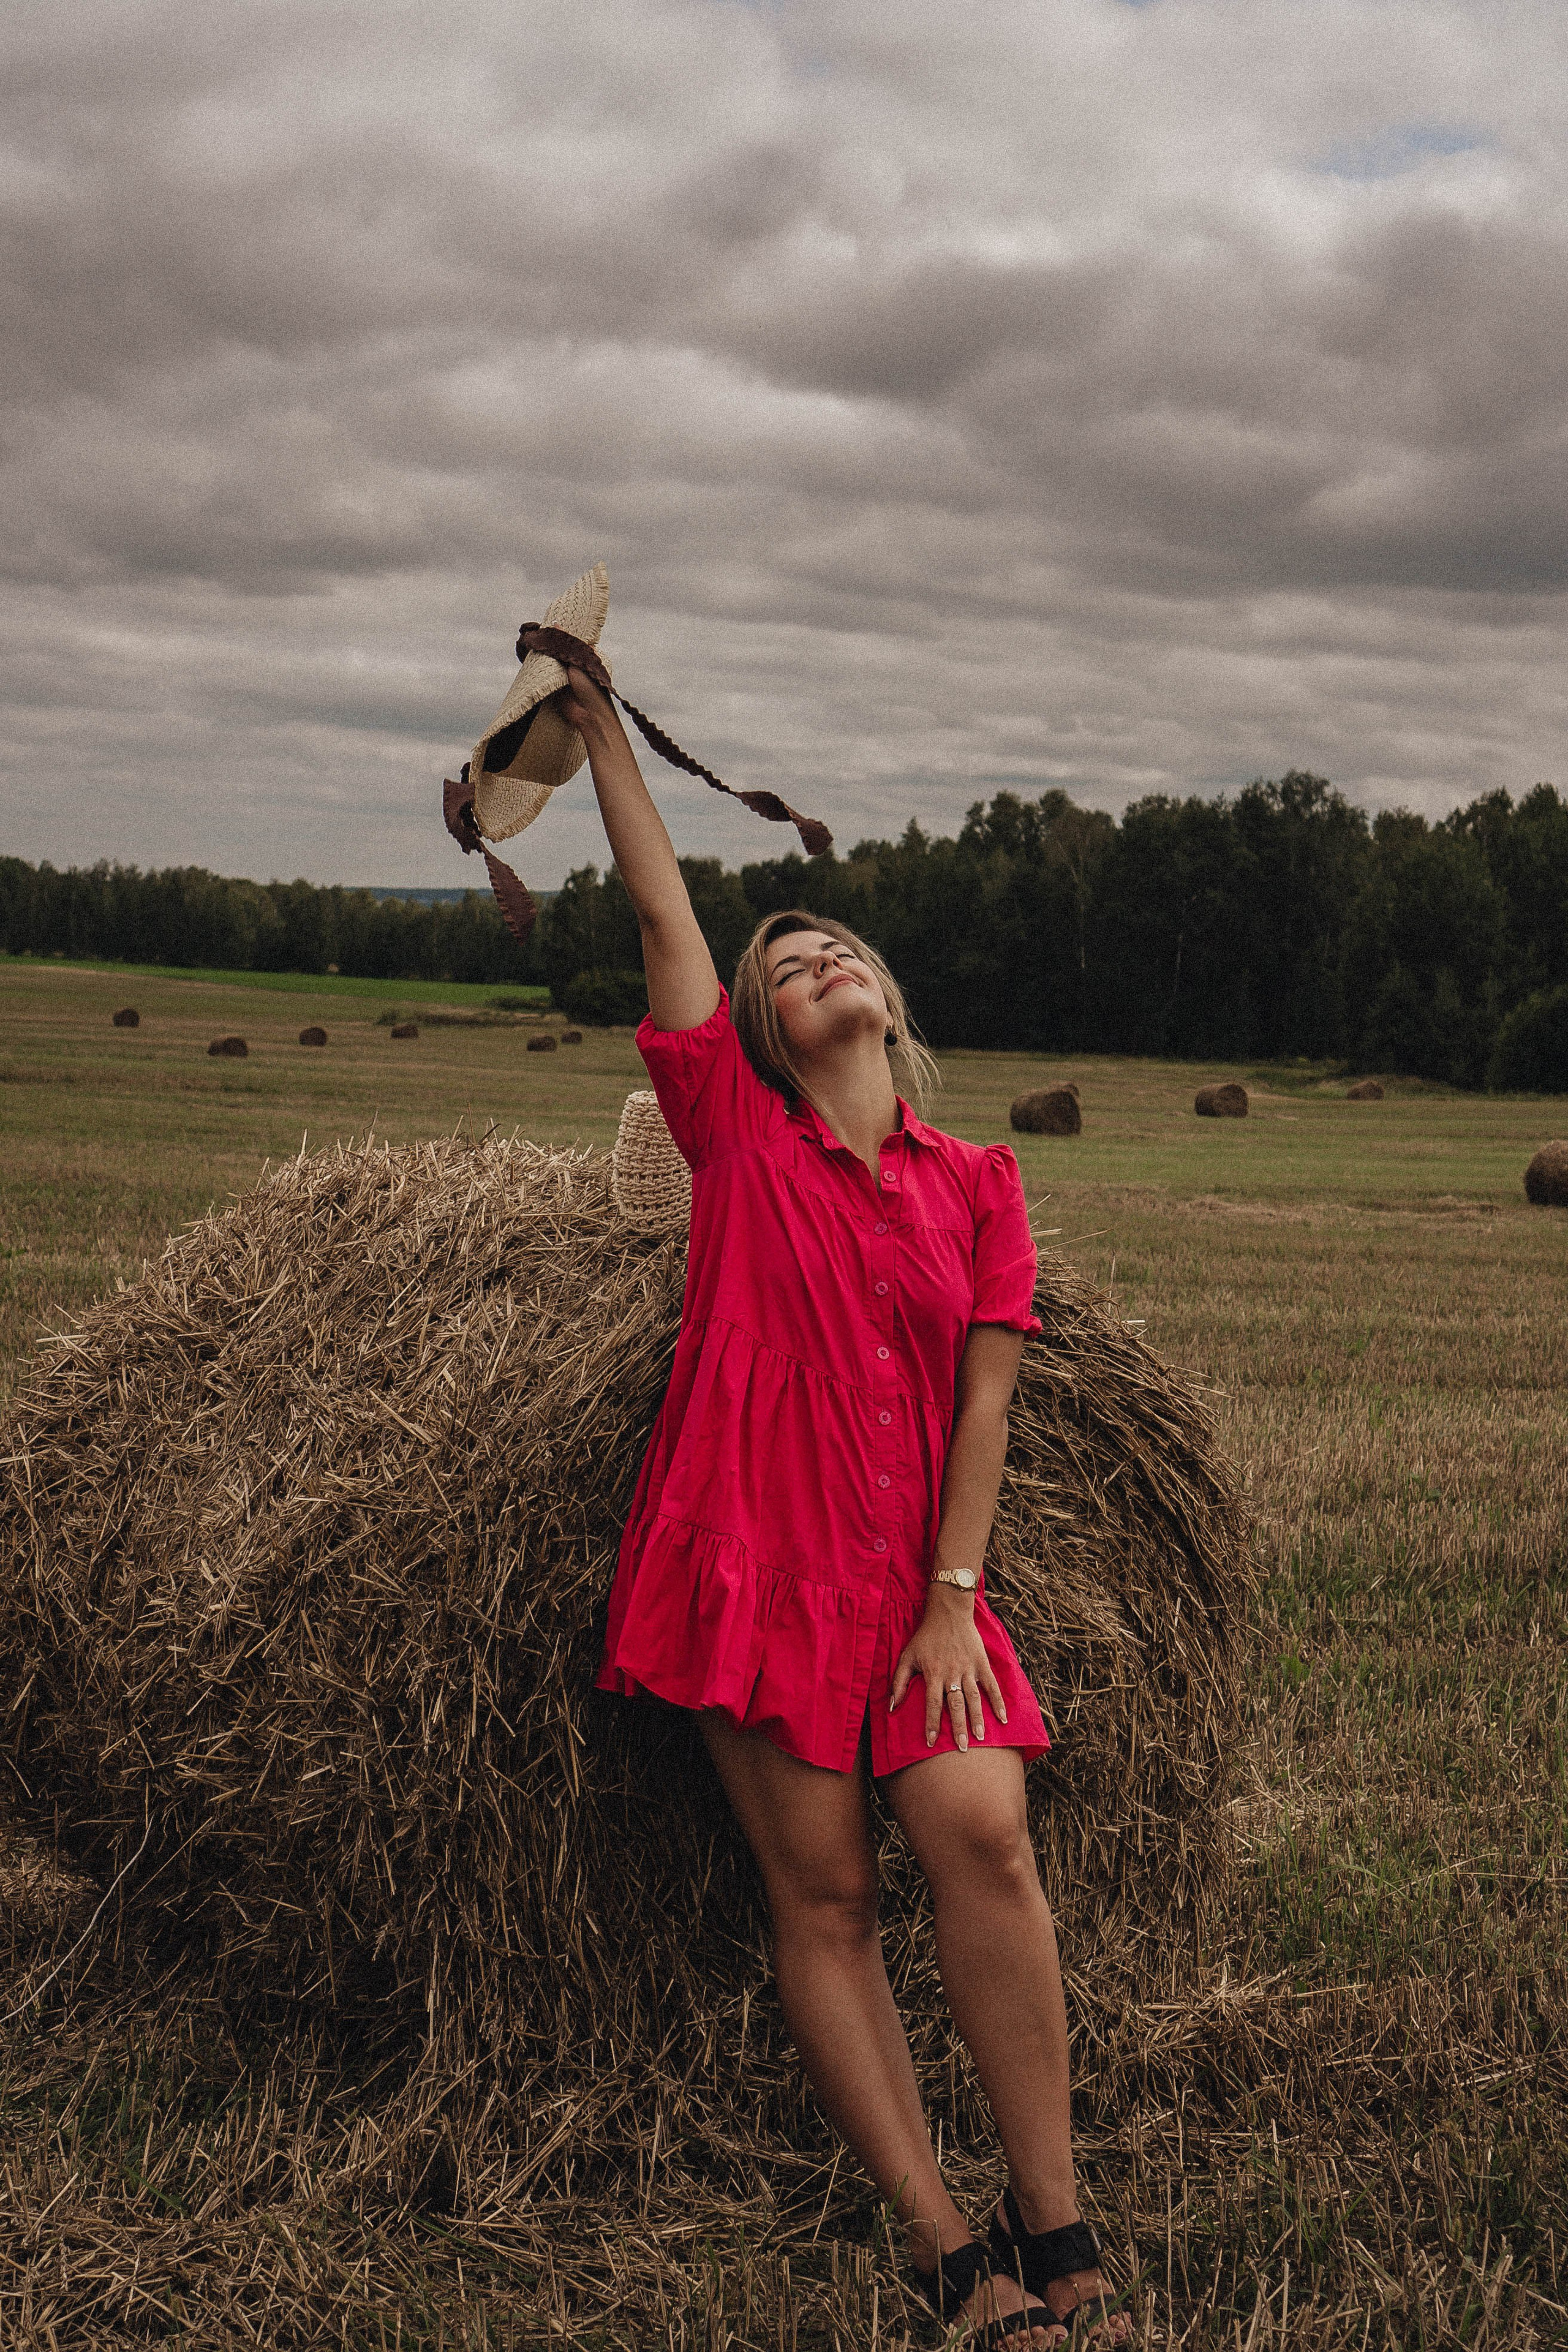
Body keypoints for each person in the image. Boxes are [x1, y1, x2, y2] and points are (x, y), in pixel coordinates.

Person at [565, 666, 1128, 2351]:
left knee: (985, 1836)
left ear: (887, 1000)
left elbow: (988, 1402)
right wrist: (599, 728)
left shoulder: (981, 1183)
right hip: (752, 1561)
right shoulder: (734, 1130)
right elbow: (665, 912)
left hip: (916, 1579)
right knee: (826, 1901)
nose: (815, 958)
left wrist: (956, 1597)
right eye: (785, 964)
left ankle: (1054, 2207)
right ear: (757, 1029)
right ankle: (950, 2248)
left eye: (837, 948)